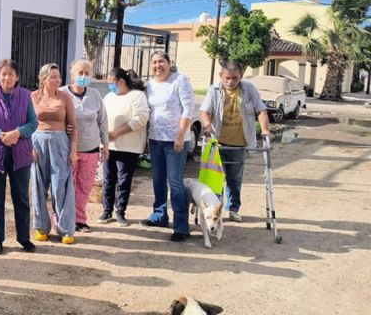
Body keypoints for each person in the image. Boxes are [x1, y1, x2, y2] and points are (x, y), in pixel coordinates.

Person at [0, 59, 39, 255]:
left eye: (11, 74)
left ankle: (23, 237)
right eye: (3, 74)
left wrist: (18, 133)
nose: (7, 77)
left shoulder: (26, 96)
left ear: (17, 77)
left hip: (20, 154)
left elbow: (33, 123)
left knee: (21, 198)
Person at [200, 61, 272, 222]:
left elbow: (261, 110)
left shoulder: (249, 89)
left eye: (234, 78)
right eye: (227, 78)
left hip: (239, 144)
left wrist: (265, 130)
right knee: (215, 179)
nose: (230, 82)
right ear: (221, 76)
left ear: (241, 76)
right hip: (217, 144)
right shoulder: (214, 90)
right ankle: (214, 210)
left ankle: (233, 209)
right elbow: (205, 111)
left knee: (234, 179)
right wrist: (207, 126)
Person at [141, 52, 196, 242]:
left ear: (169, 63)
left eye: (161, 62)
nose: (158, 65)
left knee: (175, 181)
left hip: (175, 141)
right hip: (155, 139)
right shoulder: (150, 85)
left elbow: (188, 108)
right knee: (157, 180)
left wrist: (180, 136)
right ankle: (159, 216)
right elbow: (148, 112)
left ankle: (181, 226)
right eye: (154, 62)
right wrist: (147, 139)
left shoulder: (180, 80)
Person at [31, 63, 78, 244]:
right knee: (38, 185)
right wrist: (29, 147)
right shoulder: (32, 97)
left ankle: (66, 229)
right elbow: (26, 122)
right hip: (38, 143)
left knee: (61, 186)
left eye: (59, 77)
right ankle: (41, 227)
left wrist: (73, 151)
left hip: (60, 143)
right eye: (53, 77)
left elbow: (73, 125)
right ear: (43, 79)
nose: (57, 80)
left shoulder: (65, 97)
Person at [59, 59, 108, 233]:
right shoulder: (62, 93)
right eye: (80, 73)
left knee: (84, 186)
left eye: (87, 73)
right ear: (72, 74)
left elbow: (103, 121)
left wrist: (106, 145)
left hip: (91, 148)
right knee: (65, 185)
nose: (84, 76)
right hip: (67, 149)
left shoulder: (95, 95)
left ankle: (80, 219)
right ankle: (62, 219)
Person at [99, 68, 150, 227]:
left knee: (123, 180)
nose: (110, 87)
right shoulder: (108, 97)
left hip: (128, 147)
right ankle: (106, 210)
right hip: (109, 145)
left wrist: (117, 133)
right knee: (108, 179)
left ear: (120, 81)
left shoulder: (137, 96)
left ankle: (120, 211)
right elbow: (101, 117)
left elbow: (140, 119)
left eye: (111, 83)